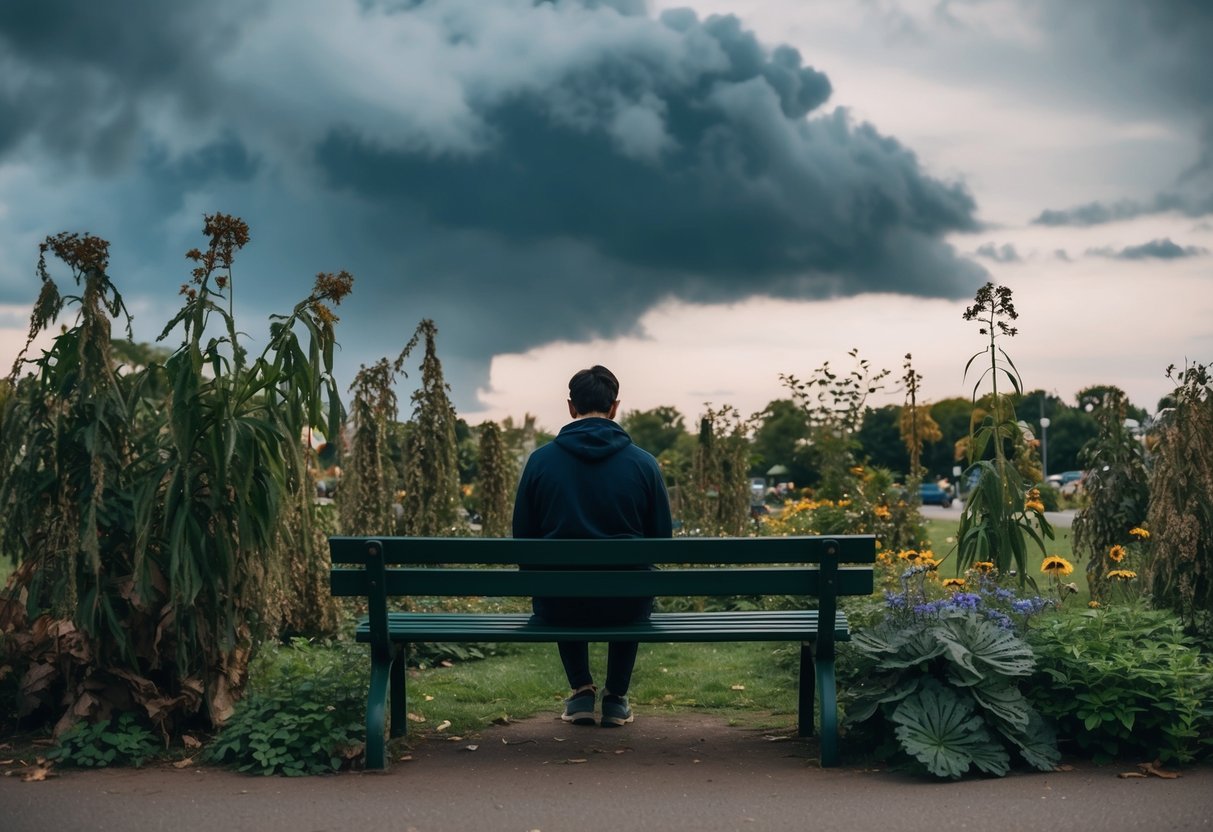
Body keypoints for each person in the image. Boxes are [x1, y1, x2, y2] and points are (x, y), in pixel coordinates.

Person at [512, 365, 673, 727]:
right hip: (627, 602)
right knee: (634, 579)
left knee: (560, 580)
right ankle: (615, 698)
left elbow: (522, 538)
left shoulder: (540, 462)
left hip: (559, 603)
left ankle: (582, 691)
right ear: (615, 407)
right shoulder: (644, 464)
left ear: (571, 407)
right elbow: (662, 541)